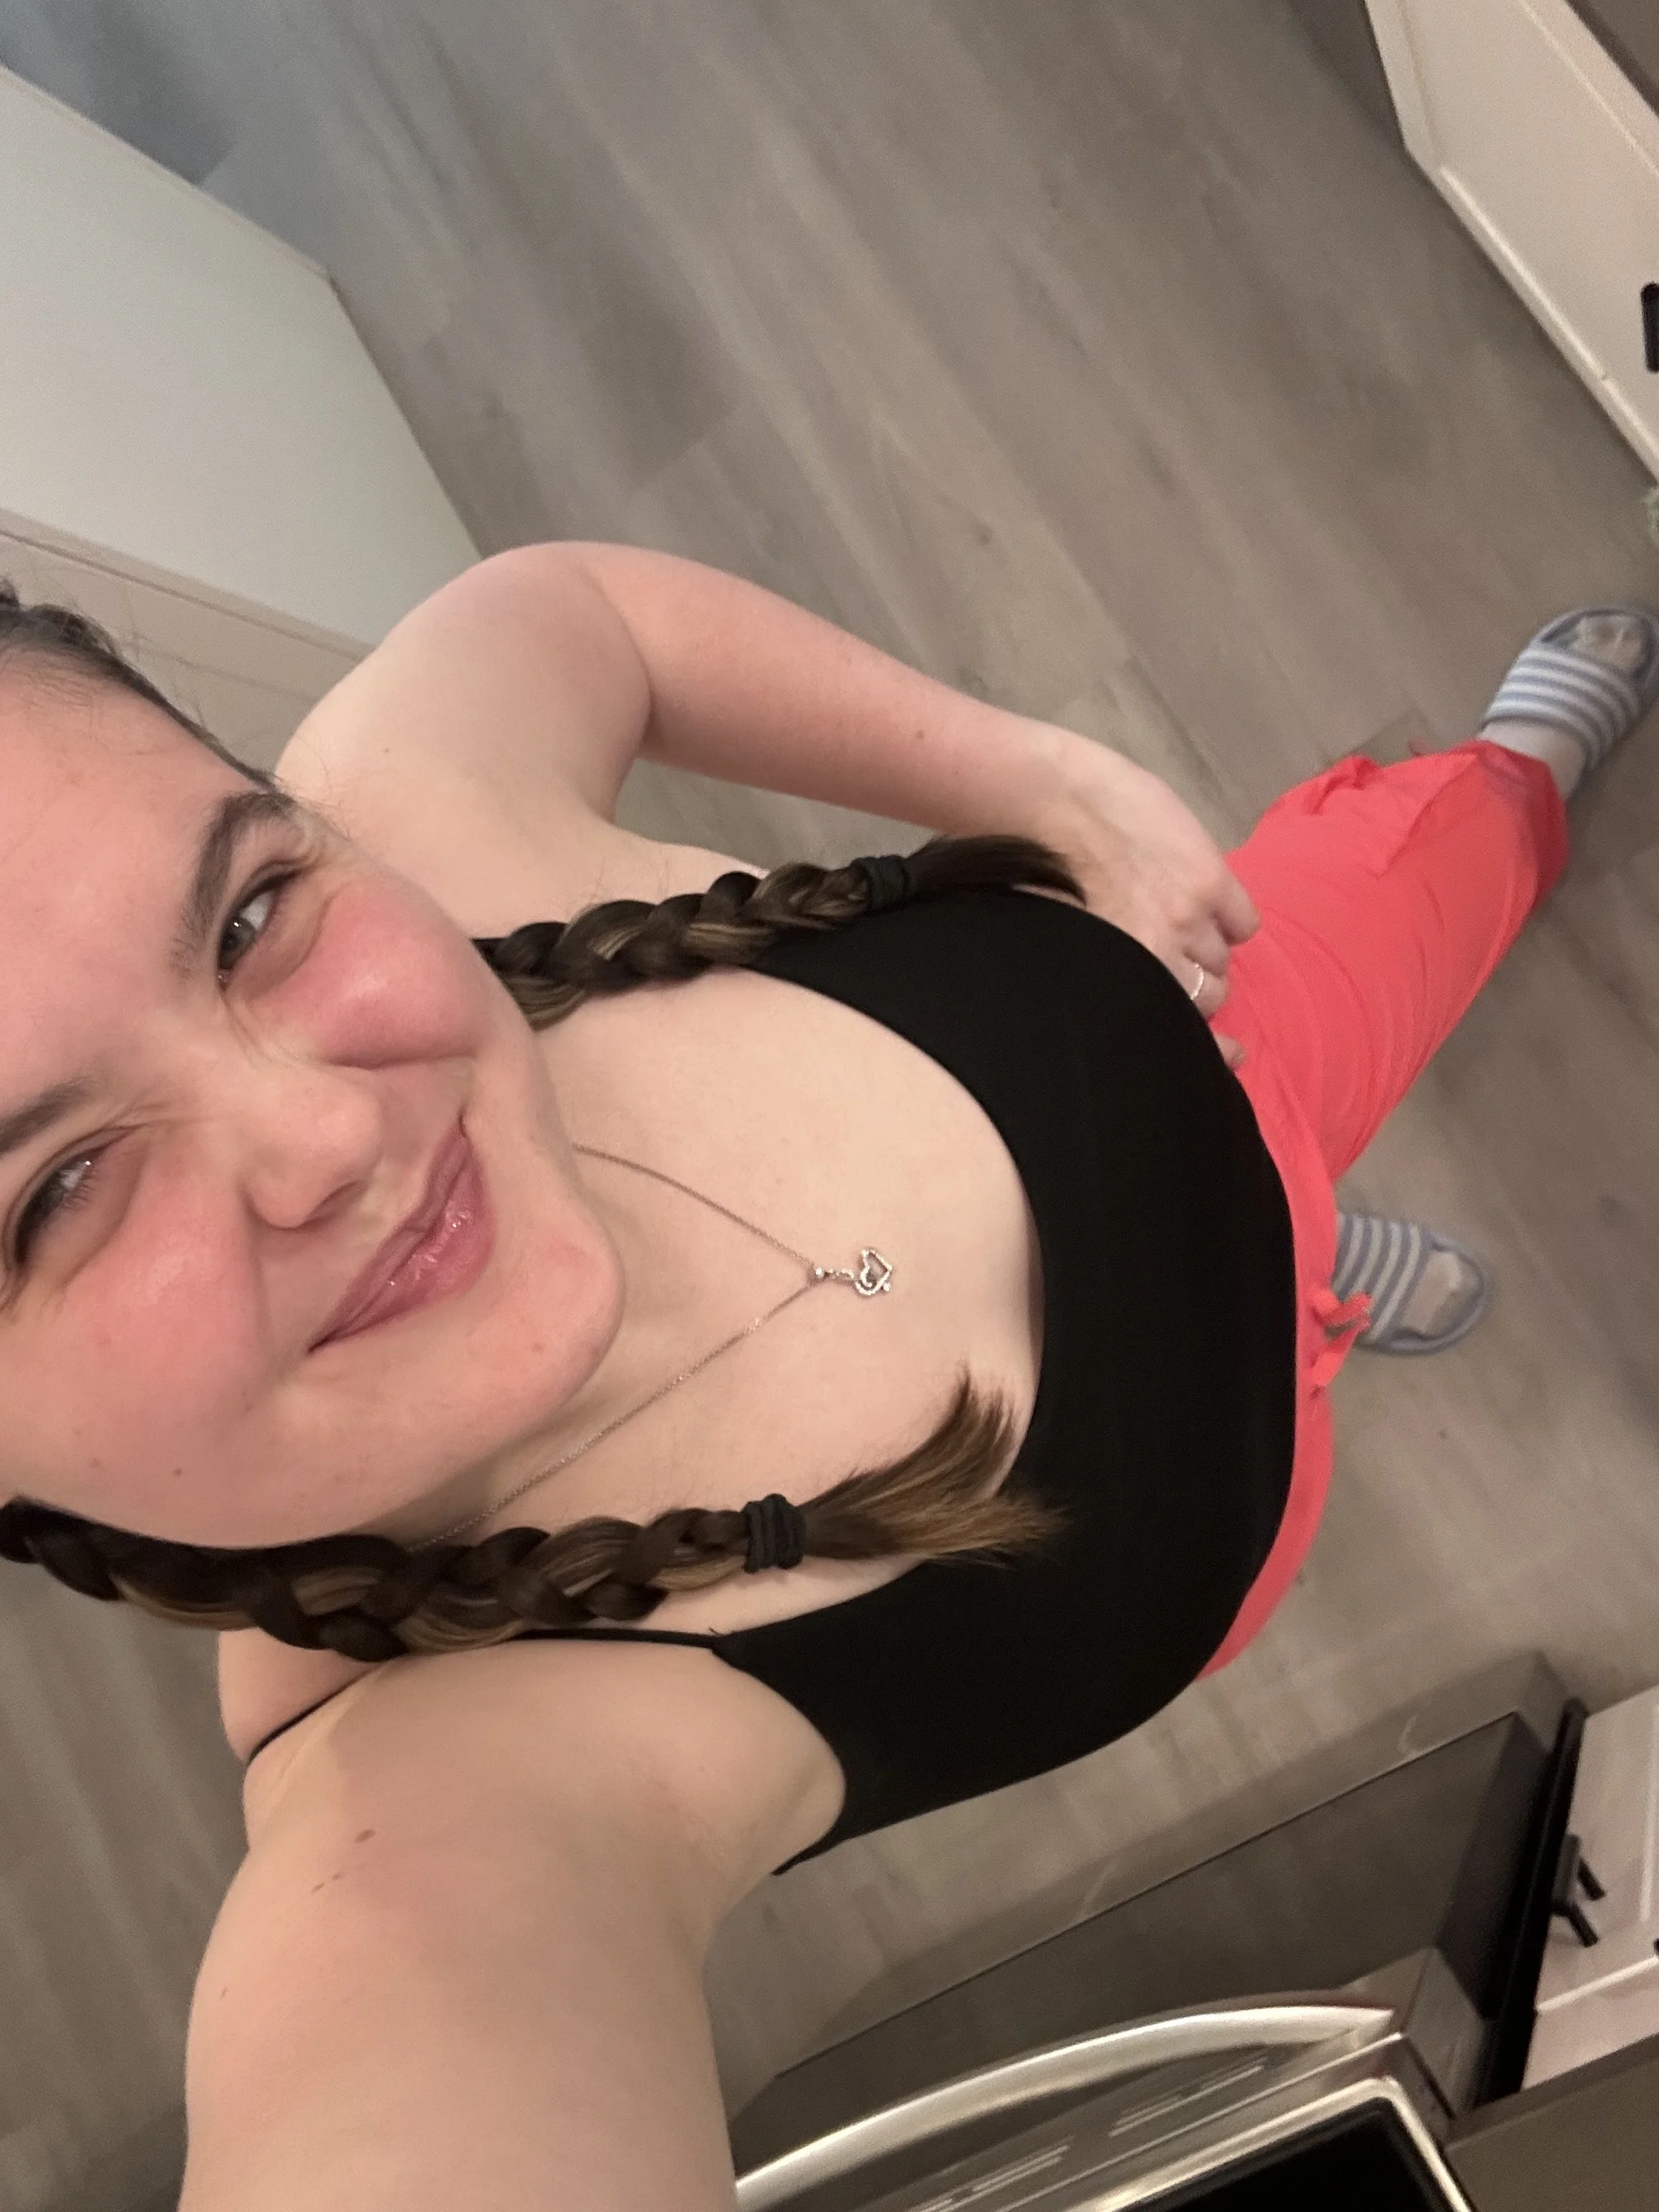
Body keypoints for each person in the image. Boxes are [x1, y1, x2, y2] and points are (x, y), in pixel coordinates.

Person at [0, 549, 1649, 2208]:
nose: (331, 1130)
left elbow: (580, 611)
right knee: (1278, 1358)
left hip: (1233, 1021)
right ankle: (1321, 1298)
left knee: (1431, 870)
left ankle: (1502, 811)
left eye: (246, 914)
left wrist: (1036, 772)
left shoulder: (423, 819)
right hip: (1241, 1469)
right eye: (56, 1189)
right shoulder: (421, 1800)